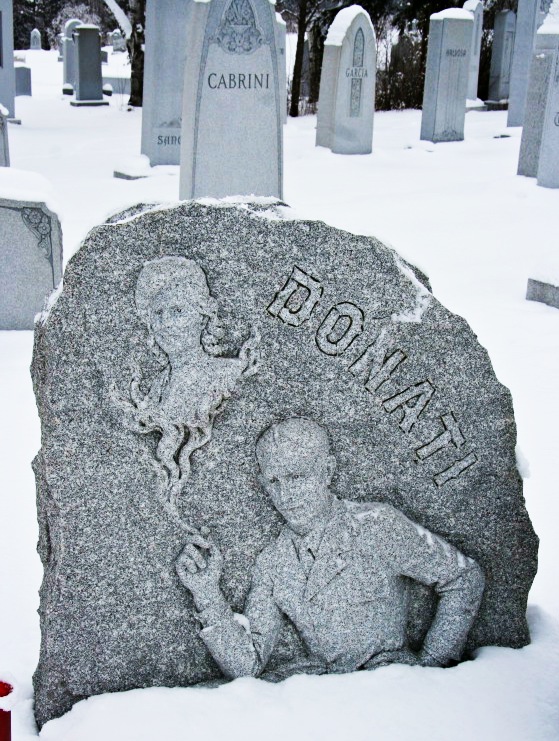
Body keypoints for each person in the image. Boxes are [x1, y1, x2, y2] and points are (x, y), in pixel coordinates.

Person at [176, 417, 485, 679]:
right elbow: (247, 665)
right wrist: (207, 594)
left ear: (326, 471)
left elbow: (462, 576)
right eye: (274, 481)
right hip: (324, 704)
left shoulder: (376, 525)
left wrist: (432, 664)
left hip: (391, 691)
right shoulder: (272, 561)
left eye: (297, 477)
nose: (286, 494)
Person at [118, 256, 258, 504]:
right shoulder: (154, 390)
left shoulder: (228, 375)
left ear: (203, 315)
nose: (166, 324)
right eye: (158, 314)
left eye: (178, 311)